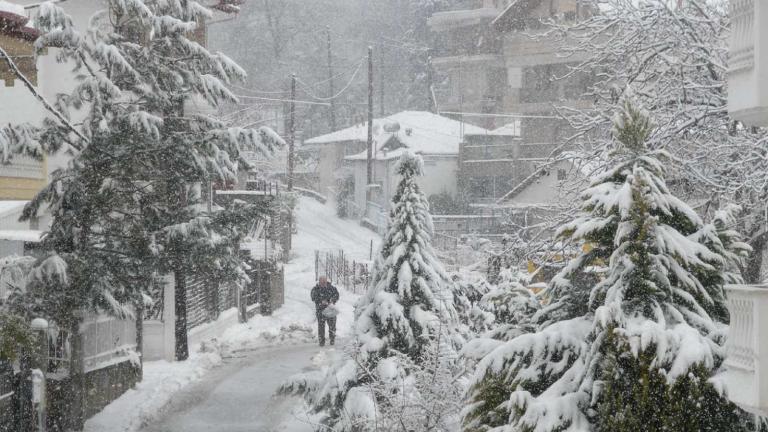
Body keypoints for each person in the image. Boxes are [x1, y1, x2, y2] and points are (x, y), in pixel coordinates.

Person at [311, 276, 339, 346]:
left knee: (332, 326)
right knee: (321, 327)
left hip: (330, 310)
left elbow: (337, 295)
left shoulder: (332, 288)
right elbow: (313, 297)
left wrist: (331, 300)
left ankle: (332, 339)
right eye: (322, 282)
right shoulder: (315, 289)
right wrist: (321, 301)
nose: (323, 283)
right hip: (320, 311)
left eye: (324, 281)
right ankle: (321, 341)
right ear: (319, 282)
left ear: (326, 281)